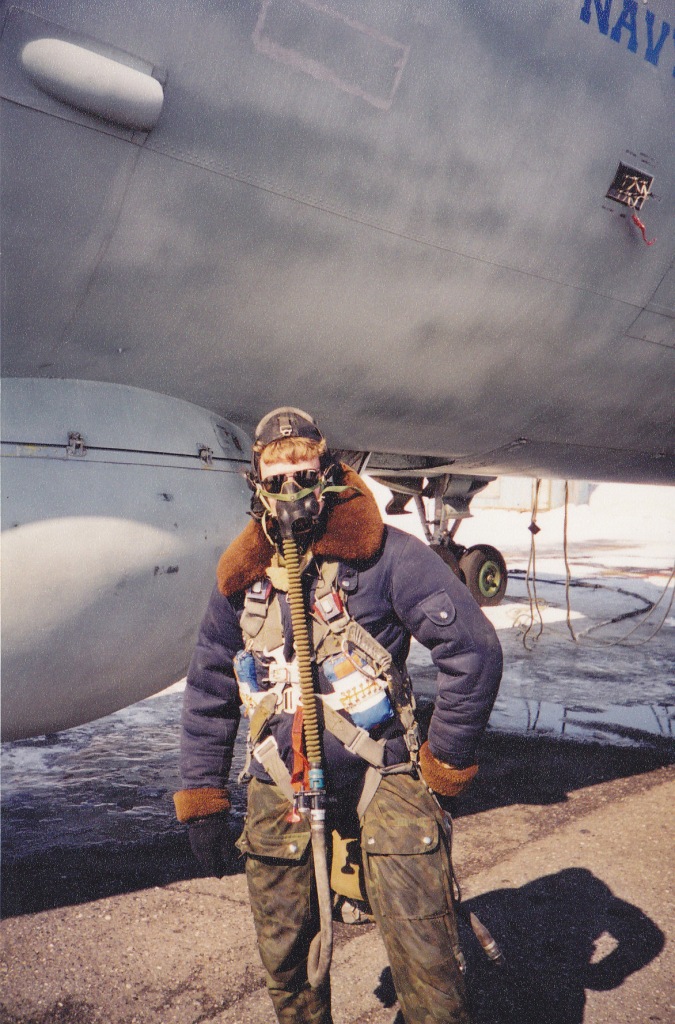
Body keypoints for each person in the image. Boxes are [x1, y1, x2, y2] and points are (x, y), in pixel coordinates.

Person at [174, 407, 503, 1024]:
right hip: (282, 776)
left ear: (326, 470)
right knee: (287, 966)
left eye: (302, 470)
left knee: (431, 968)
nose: (290, 487)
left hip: (386, 770)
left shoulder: (385, 557)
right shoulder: (243, 577)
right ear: (257, 483)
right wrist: (202, 798)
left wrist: (444, 763)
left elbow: (474, 651)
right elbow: (208, 689)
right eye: (277, 475)